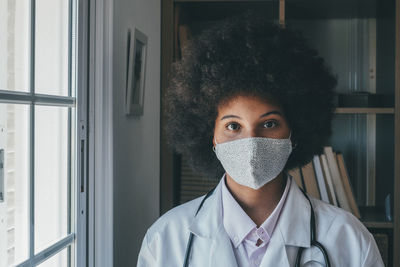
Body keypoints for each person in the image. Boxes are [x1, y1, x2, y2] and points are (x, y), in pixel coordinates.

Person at [137, 11, 384, 267]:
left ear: (294, 130)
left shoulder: (349, 240)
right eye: (233, 125)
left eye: (269, 123)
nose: (251, 141)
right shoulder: (166, 238)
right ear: (209, 135)